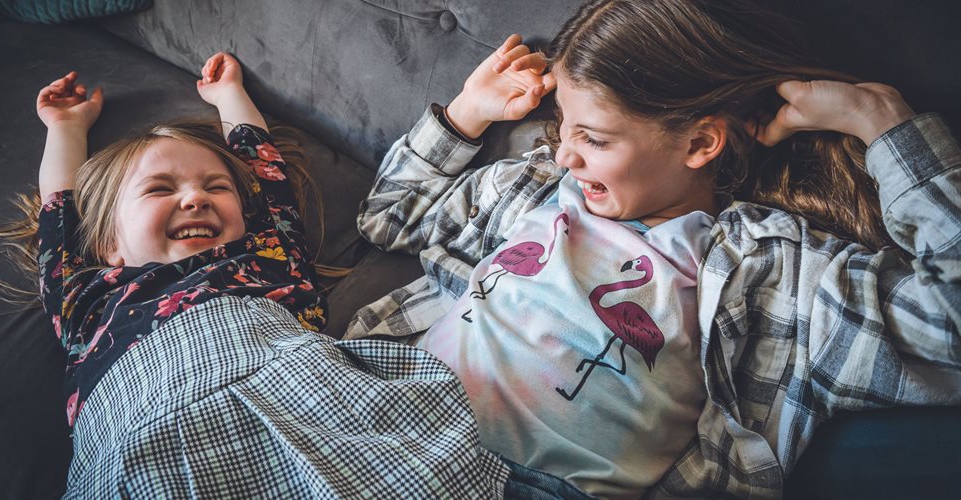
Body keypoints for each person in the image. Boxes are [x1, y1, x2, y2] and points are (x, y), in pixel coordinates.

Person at [349, 0, 961, 497]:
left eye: (593, 137)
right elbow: (387, 217)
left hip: (516, 481)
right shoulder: (531, 185)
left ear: (700, 143)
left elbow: (950, 318)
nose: (564, 153)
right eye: (564, 125)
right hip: (385, 401)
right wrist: (465, 116)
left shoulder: (769, 271)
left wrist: (882, 123)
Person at [0, 52, 521, 497]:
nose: (195, 197)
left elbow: (265, 168)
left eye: (215, 187)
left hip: (300, 389)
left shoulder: (267, 254)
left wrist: (229, 97)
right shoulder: (85, 298)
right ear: (108, 244)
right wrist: (65, 127)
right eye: (160, 190)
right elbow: (60, 208)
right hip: (141, 432)